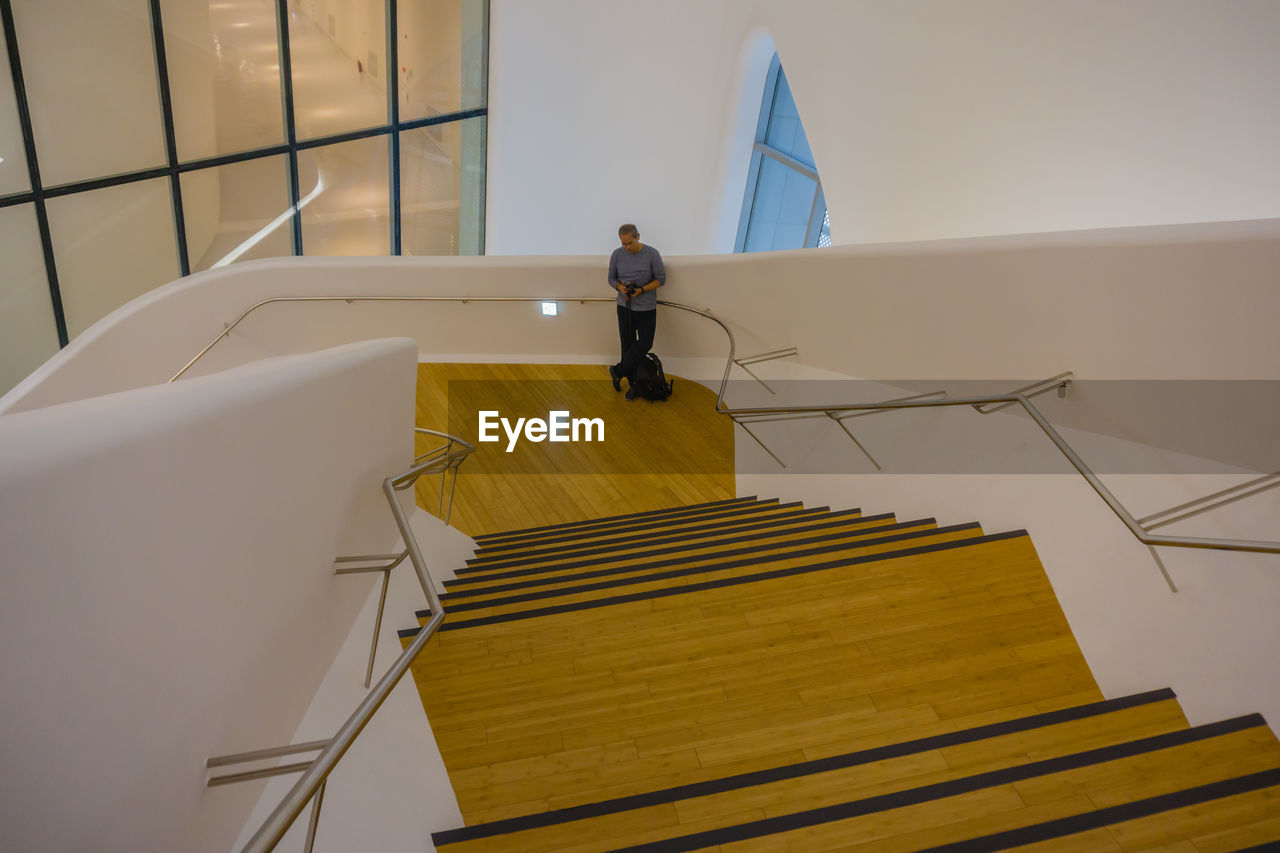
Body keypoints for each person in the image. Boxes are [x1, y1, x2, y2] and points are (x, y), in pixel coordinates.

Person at [607, 224, 666, 400]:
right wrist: (619, 287)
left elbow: (661, 280)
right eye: (623, 243)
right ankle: (634, 385)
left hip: (646, 308)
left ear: (638, 236)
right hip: (624, 306)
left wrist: (642, 289)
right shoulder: (617, 254)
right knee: (627, 345)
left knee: (645, 342)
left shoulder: (652, 254)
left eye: (630, 243)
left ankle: (618, 370)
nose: (626, 247)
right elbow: (611, 278)